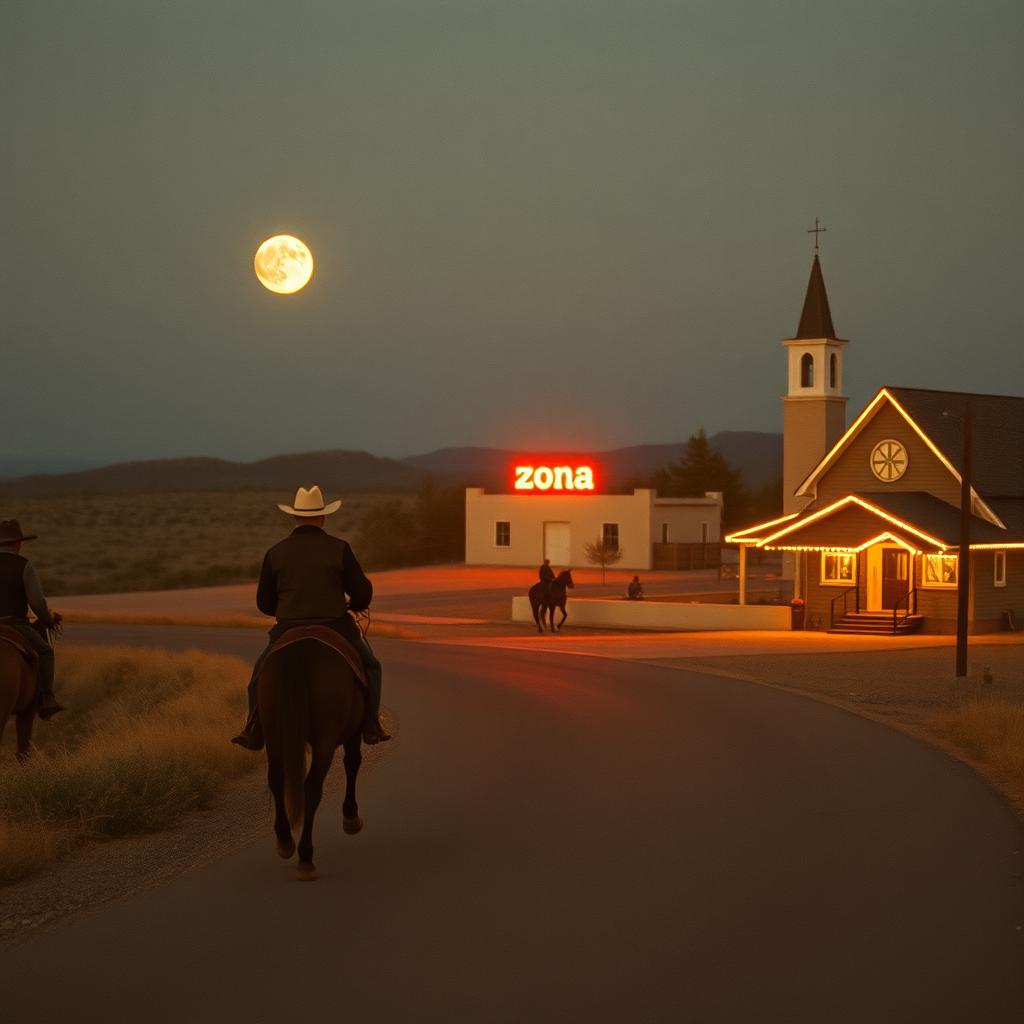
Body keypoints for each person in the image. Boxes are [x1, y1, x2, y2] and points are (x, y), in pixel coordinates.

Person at [232, 485, 389, 751]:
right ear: (323, 517)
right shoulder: (339, 548)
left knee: (259, 676)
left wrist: (290, 610)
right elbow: (362, 591)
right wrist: (356, 604)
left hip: (288, 629)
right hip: (336, 627)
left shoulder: (275, 552)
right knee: (372, 666)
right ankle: (371, 725)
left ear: (294, 517)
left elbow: (264, 603)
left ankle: (253, 728)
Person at [0, 519, 63, 718]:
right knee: (45, 651)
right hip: (15, 624)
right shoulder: (23, 565)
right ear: (18, 543)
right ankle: (46, 698)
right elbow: (36, 602)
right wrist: (48, 618)